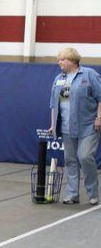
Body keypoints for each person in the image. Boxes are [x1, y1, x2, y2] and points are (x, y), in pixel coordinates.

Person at [48, 47, 101, 205]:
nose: (59, 63)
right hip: (66, 127)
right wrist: (52, 124)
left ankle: (92, 193)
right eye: (58, 60)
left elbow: (100, 97)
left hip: (88, 126)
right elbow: (54, 104)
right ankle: (72, 195)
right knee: (70, 160)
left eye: (62, 59)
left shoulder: (89, 74)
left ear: (72, 60)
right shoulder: (59, 78)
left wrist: (99, 117)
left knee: (85, 157)